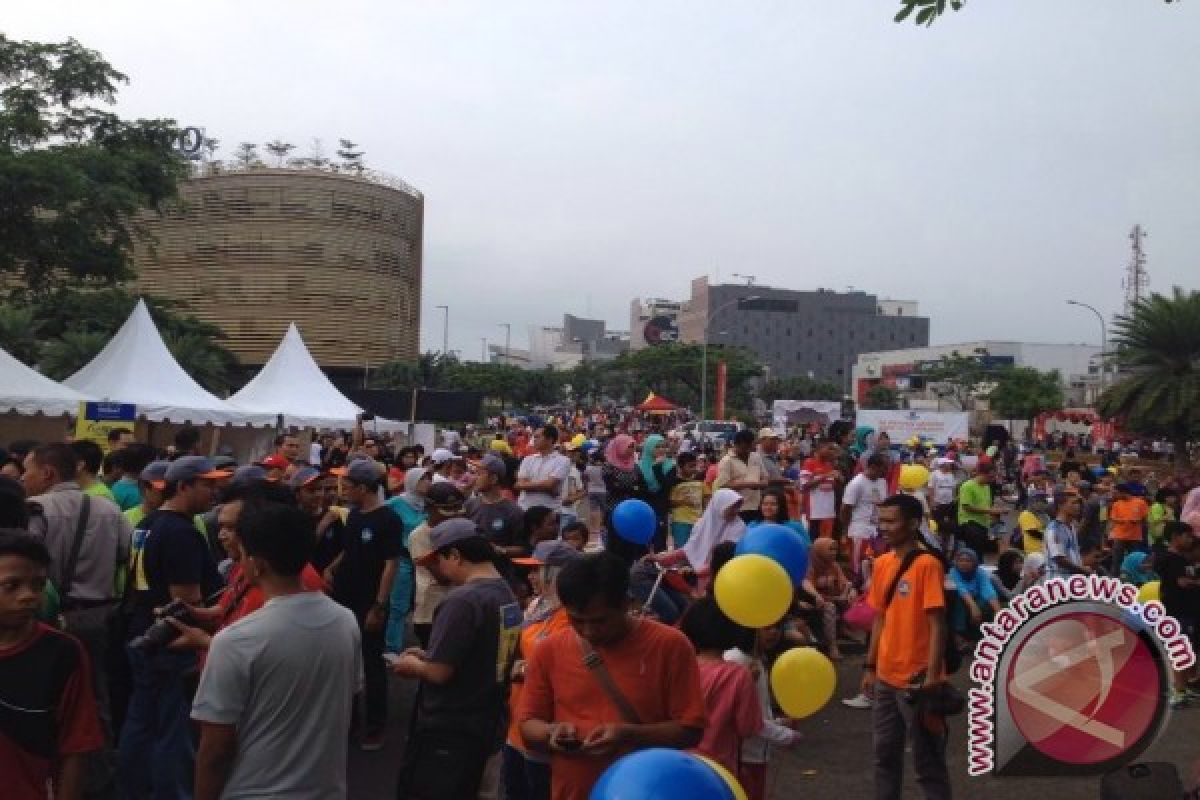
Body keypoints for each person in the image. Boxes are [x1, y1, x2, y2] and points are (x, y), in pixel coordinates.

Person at [191, 499, 361, 800]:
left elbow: (215, 750)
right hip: (326, 789)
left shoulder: (236, 641)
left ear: (256, 564)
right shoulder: (344, 620)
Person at [518, 552, 706, 799]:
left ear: (627, 604)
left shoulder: (670, 645)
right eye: (576, 620)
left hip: (647, 789)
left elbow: (690, 729)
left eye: (600, 621)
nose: (588, 631)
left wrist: (629, 735)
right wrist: (551, 733)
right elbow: (528, 724)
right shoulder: (550, 649)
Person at [23, 442, 132, 797]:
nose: (25, 478)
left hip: (54, 616)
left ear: (48, 473)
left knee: (45, 694)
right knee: (95, 696)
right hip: (99, 616)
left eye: (29, 470)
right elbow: (124, 555)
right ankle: (98, 776)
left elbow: (29, 562)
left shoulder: (37, 509)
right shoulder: (109, 508)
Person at [118, 455, 229, 800]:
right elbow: (187, 599)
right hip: (172, 642)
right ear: (182, 486)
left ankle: (131, 789)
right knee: (173, 731)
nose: (215, 491)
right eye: (207, 485)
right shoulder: (181, 532)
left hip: (142, 631)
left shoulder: (147, 523)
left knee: (140, 721)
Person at [390, 518, 521, 799]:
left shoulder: (463, 600)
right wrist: (430, 655)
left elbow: (439, 673)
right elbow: (483, 654)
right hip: (488, 723)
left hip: (450, 730)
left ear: (455, 555)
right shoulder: (506, 592)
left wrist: (414, 665)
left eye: (438, 560)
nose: (437, 569)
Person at [855, 493, 950, 799]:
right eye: (881, 521)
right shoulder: (882, 563)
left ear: (913, 523)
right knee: (884, 756)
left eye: (891, 521)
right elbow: (880, 618)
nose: (884, 527)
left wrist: (933, 675)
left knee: (927, 762)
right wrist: (870, 667)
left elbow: (938, 624)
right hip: (885, 676)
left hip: (918, 680)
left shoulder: (927, 565)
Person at [0, 530, 104, 800]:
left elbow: (76, 747)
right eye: (11, 586)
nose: (28, 596)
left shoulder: (62, 653)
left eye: (37, 585)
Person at [323, 458, 401, 751]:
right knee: (345, 660)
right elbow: (349, 548)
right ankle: (350, 721)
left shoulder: (388, 519)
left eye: (350, 484)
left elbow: (390, 565)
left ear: (366, 487)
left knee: (371, 662)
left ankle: (375, 725)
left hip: (369, 601)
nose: (344, 489)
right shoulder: (354, 516)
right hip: (344, 597)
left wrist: (379, 606)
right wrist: (332, 567)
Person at [503, 540, 580, 800]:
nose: (531, 576)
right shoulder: (537, 605)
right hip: (517, 719)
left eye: (538, 570)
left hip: (545, 725)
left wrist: (522, 670)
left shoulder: (574, 618)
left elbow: (563, 669)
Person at [679, 596, 765, 777]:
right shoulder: (738, 675)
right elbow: (747, 727)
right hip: (718, 768)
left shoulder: (678, 666)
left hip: (676, 760)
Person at [723, 623, 803, 800]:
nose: (773, 633)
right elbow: (744, 717)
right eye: (767, 628)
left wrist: (780, 722)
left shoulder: (757, 658)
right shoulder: (736, 660)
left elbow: (757, 709)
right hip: (742, 756)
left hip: (757, 752)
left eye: (777, 628)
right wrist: (784, 734)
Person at [407, 482, 465, 649]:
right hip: (430, 612)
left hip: (455, 607)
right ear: (431, 509)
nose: (452, 517)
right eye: (447, 512)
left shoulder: (456, 530)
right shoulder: (419, 536)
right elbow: (444, 576)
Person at [384, 467, 429, 652]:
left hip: (425, 560)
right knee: (398, 604)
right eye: (423, 479)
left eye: (429, 479)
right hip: (402, 559)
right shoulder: (395, 503)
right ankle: (392, 647)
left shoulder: (429, 504)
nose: (428, 483)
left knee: (425, 603)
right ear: (411, 481)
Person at [1155, 521, 1199, 708]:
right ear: (1175, 537)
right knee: (1180, 650)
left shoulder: (1182, 559)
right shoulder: (1170, 559)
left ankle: (1184, 686)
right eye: (1187, 536)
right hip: (1177, 610)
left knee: (1188, 648)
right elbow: (1182, 582)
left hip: (1188, 610)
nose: (1190, 540)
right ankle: (1177, 692)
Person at [467, 455, 527, 558]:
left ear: (494, 479)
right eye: (474, 473)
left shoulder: (513, 512)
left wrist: (499, 550)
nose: (475, 477)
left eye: (480, 473)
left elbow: (522, 549)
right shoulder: (469, 505)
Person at [842, 453, 890, 579]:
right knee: (859, 567)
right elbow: (846, 508)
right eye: (884, 468)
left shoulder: (882, 482)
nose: (887, 471)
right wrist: (845, 531)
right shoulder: (856, 483)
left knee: (875, 565)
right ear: (873, 466)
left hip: (877, 530)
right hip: (860, 529)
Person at [808, 537, 856, 660]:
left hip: (835, 597)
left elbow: (844, 581)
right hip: (817, 601)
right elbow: (808, 586)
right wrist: (820, 596)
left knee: (852, 595)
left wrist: (849, 591)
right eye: (830, 549)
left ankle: (844, 627)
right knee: (830, 607)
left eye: (835, 549)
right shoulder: (811, 566)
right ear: (820, 550)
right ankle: (832, 646)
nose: (833, 552)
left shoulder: (834, 565)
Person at [601, 434, 644, 566]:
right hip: (614, 509)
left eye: (633, 447)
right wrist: (632, 488)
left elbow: (641, 487)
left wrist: (628, 488)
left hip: (632, 511)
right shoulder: (608, 466)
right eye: (628, 447)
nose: (631, 450)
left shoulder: (635, 467)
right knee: (615, 544)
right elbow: (613, 487)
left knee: (630, 545)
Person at [715, 429, 768, 523]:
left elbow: (765, 477)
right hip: (737, 508)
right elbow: (722, 485)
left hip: (757, 505)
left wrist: (762, 484)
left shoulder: (755, 457)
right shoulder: (727, 461)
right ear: (737, 445)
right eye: (745, 448)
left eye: (750, 447)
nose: (748, 451)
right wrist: (748, 485)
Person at [947, 548, 999, 643]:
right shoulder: (953, 572)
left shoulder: (980, 572)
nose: (964, 563)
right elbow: (961, 589)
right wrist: (973, 607)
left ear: (974, 562)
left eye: (968, 560)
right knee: (959, 599)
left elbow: (987, 590)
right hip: (961, 600)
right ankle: (959, 634)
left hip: (976, 599)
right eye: (961, 560)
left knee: (986, 603)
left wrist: (999, 613)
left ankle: (983, 634)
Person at [515, 426, 572, 512]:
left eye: (537, 437)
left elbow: (549, 485)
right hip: (524, 509)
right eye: (534, 437)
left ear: (549, 439)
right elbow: (518, 485)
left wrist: (527, 486)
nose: (534, 440)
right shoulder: (528, 459)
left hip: (549, 512)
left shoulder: (563, 461)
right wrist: (546, 488)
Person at [636, 433, 677, 551]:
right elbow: (640, 488)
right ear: (649, 447)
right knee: (642, 542)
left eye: (663, 446)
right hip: (643, 507)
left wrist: (657, 468)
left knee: (659, 542)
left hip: (660, 508)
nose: (661, 450)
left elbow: (666, 487)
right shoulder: (640, 466)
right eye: (657, 447)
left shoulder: (670, 465)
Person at [956, 462, 1005, 556]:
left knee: (980, 552)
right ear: (982, 474)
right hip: (970, 524)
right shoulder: (967, 486)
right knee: (974, 553)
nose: (992, 479)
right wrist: (990, 511)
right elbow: (966, 507)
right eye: (990, 477)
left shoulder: (986, 486)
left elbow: (986, 505)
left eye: (993, 477)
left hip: (983, 524)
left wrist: (996, 511)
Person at [799, 442, 843, 540]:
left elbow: (832, 486)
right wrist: (824, 476)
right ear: (820, 449)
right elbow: (805, 485)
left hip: (829, 512)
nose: (832, 453)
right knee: (813, 541)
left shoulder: (830, 465)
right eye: (830, 449)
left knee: (826, 542)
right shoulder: (809, 463)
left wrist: (839, 479)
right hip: (814, 512)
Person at [1109, 482, 1150, 575]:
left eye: (1117, 493)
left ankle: (1134, 579)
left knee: (1135, 560)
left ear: (1123, 492)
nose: (1115, 495)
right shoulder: (1116, 504)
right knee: (1116, 561)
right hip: (1119, 536)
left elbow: (1145, 518)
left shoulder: (1140, 502)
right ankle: (1113, 580)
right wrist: (1121, 520)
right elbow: (1113, 518)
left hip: (1135, 537)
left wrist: (1138, 520)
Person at [1044, 491, 1086, 579]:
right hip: (1058, 581)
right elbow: (1059, 559)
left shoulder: (1071, 526)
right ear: (1060, 505)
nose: (1077, 506)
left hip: (1072, 579)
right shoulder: (1054, 529)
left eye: (1078, 503)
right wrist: (1082, 570)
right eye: (1073, 503)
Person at [668, 451, 704, 548]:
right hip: (681, 521)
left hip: (697, 520)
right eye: (690, 466)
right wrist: (683, 501)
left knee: (696, 550)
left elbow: (704, 498)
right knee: (681, 550)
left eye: (695, 466)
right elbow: (668, 502)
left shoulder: (699, 480)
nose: (694, 469)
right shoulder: (674, 482)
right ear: (681, 467)